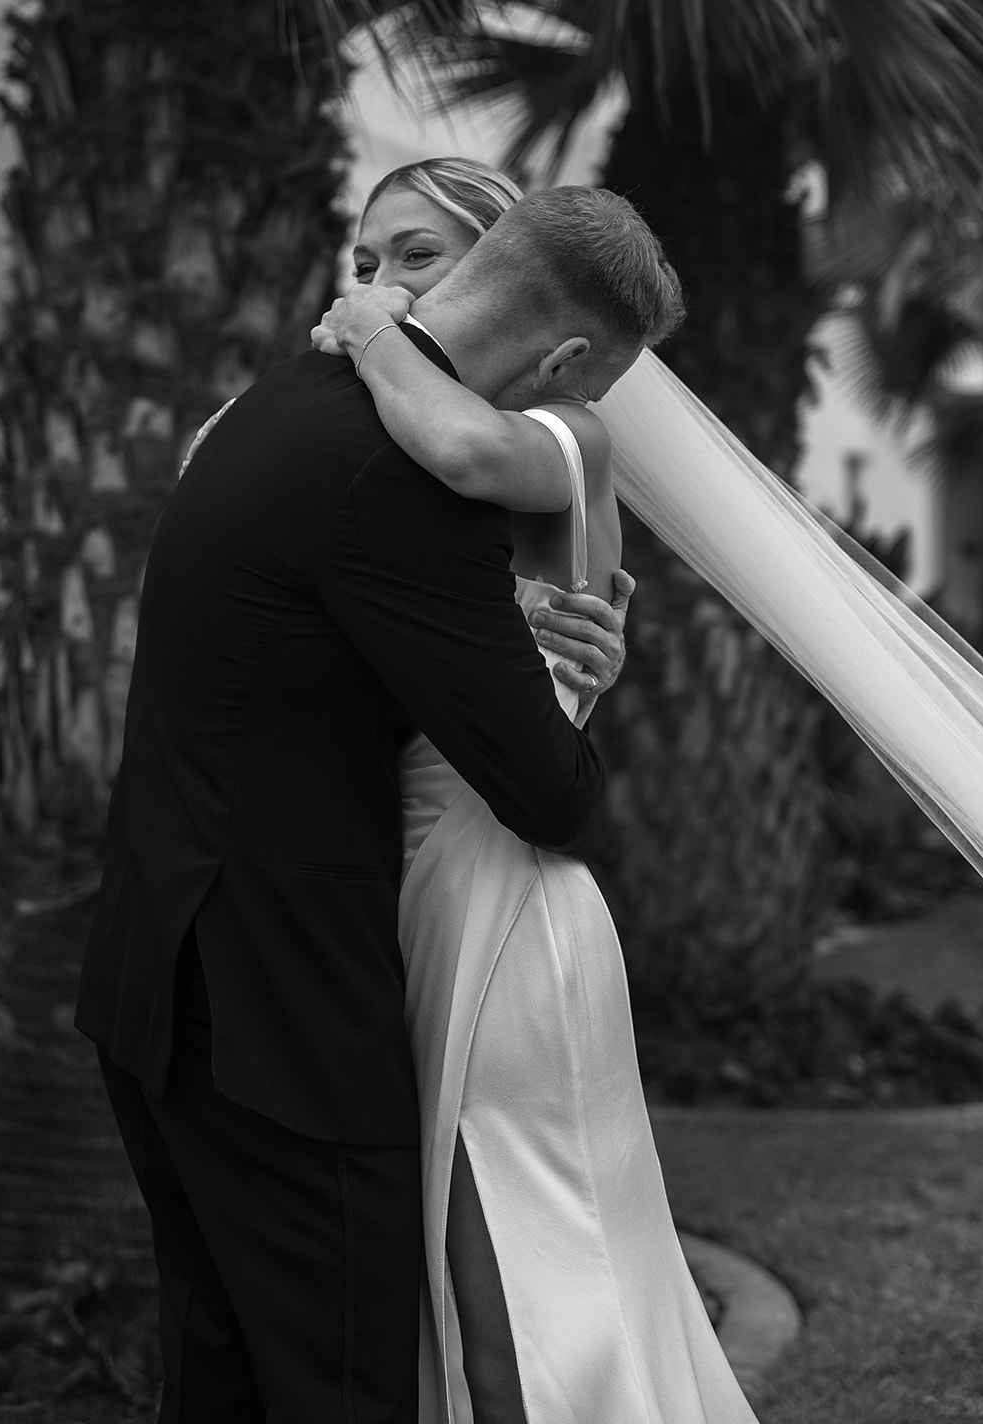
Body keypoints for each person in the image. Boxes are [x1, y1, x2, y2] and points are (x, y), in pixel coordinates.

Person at [74, 181, 670, 1423]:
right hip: (268, 1020)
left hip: (156, 971)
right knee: (340, 1383)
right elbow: (547, 792)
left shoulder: (275, 404)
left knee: (225, 1376)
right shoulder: (405, 482)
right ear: (564, 356)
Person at [312, 162, 759, 1424]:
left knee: (523, 1304)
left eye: (413, 261)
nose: (376, 292)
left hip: (502, 917)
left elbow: (459, 447)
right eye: (362, 264)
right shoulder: (388, 464)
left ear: (502, 291)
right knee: (480, 1302)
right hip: (417, 898)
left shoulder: (567, 434)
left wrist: (365, 338)